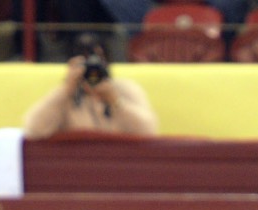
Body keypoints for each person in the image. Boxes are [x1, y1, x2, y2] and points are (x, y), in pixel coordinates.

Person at [22, 32, 158, 139]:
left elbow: (149, 131)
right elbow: (33, 129)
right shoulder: (66, 94)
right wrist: (65, 91)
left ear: (108, 63)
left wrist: (115, 101)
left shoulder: (125, 89)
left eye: (98, 62)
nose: (92, 70)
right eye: (87, 63)